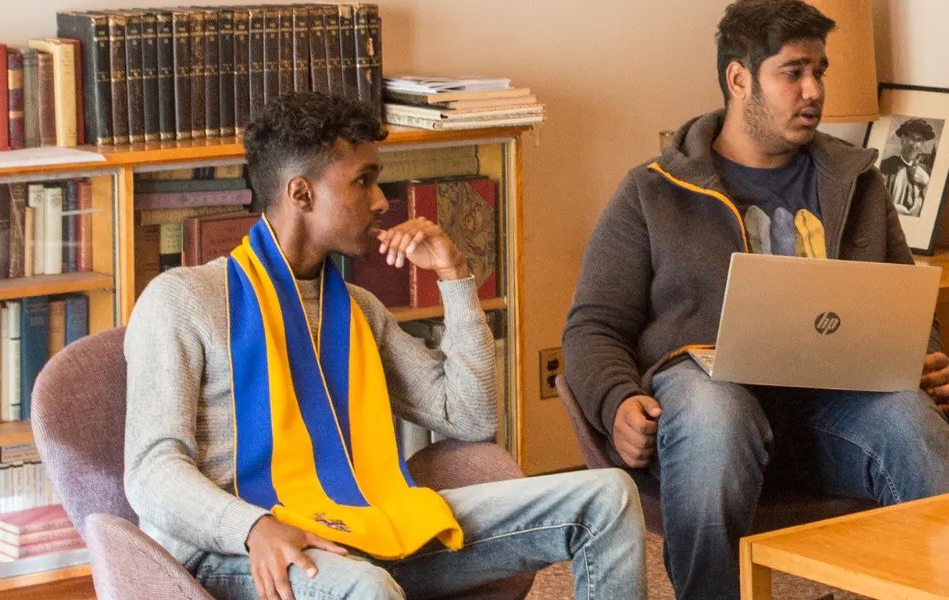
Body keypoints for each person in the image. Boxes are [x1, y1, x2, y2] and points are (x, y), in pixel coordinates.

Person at [122, 92, 645, 600]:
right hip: (237, 551)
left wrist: (455, 277)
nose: (381, 202)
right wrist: (253, 527)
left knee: (608, 497)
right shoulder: (184, 299)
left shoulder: (358, 310)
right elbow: (151, 472)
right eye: (363, 182)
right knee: (365, 586)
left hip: (363, 520)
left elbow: (470, 416)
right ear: (301, 194)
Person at [559, 1, 949, 598]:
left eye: (820, 72)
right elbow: (592, 326)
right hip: (708, 401)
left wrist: (921, 357)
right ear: (738, 78)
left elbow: (904, 301)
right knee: (715, 413)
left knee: (911, 421)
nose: (813, 90)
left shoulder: (857, 178)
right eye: (793, 71)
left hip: (834, 406)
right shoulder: (653, 190)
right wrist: (617, 401)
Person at [880, 119, 935, 215]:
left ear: (921, 144)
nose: (915, 145)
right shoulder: (884, 166)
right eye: (912, 138)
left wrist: (927, 184)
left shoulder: (926, 171)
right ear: (903, 140)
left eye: (919, 140)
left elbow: (933, 207)